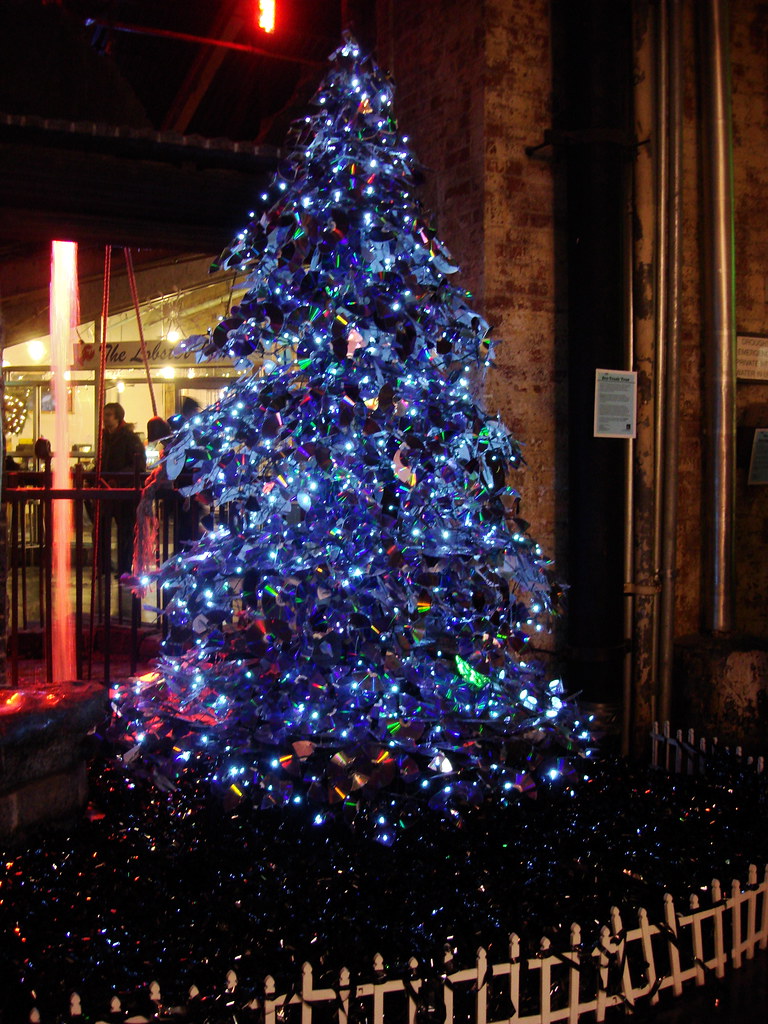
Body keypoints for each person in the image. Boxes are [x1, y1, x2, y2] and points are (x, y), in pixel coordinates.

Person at [99, 402, 146, 576]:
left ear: (118, 417)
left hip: (123, 492)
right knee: (103, 529)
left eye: (109, 415)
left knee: (125, 531)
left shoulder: (129, 438)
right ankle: (104, 565)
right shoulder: (105, 438)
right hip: (107, 490)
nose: (105, 419)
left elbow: (138, 464)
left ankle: (124, 567)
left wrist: (118, 477)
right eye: (105, 415)